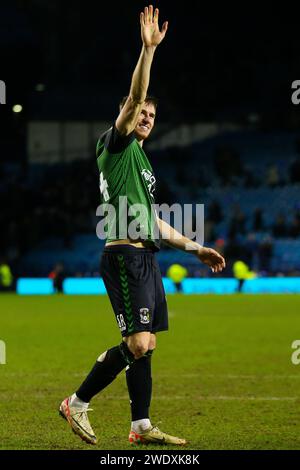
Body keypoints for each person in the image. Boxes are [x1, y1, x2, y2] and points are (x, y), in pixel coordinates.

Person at [59, 5, 225, 446]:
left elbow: (154, 222)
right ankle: (76, 403)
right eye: (141, 113)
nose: (146, 118)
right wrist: (148, 50)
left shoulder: (142, 163)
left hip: (145, 257)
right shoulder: (114, 147)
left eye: (152, 115)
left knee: (146, 343)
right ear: (127, 118)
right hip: (123, 256)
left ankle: (140, 426)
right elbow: (134, 99)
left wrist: (196, 248)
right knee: (135, 344)